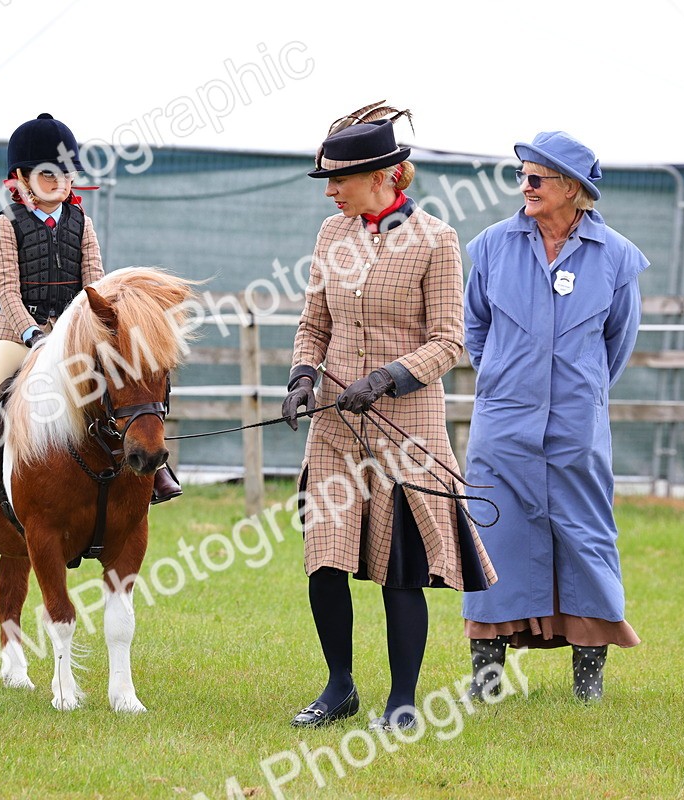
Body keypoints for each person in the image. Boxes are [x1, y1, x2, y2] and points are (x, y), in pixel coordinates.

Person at [282, 102, 497, 731]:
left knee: (399, 568)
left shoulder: (436, 240)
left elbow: (450, 341)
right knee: (326, 556)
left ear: (382, 176)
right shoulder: (331, 236)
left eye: (338, 180)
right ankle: (339, 687)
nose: (330, 192)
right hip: (334, 427)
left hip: (407, 430)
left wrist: (385, 379)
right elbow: (313, 322)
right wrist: (301, 376)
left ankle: (402, 701)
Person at [461, 131, 646, 702]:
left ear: (572, 189)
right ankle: (485, 681)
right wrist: (504, 381)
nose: (526, 187)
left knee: (586, 539)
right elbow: (475, 329)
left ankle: (587, 686)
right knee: (493, 537)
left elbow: (617, 343)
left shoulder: (615, 256)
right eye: (523, 177)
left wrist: (575, 394)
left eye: (536, 178)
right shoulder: (492, 245)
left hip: (575, 429)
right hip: (502, 425)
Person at [0, 113, 182, 514]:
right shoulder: (6, 224)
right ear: (21, 177)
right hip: (19, 330)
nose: (60, 181)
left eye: (66, 173)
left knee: (132, 374)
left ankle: (155, 465)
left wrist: (100, 326)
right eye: (48, 174)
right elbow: (7, 291)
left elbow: (96, 284)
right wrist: (31, 334)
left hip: (75, 332)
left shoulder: (82, 223)